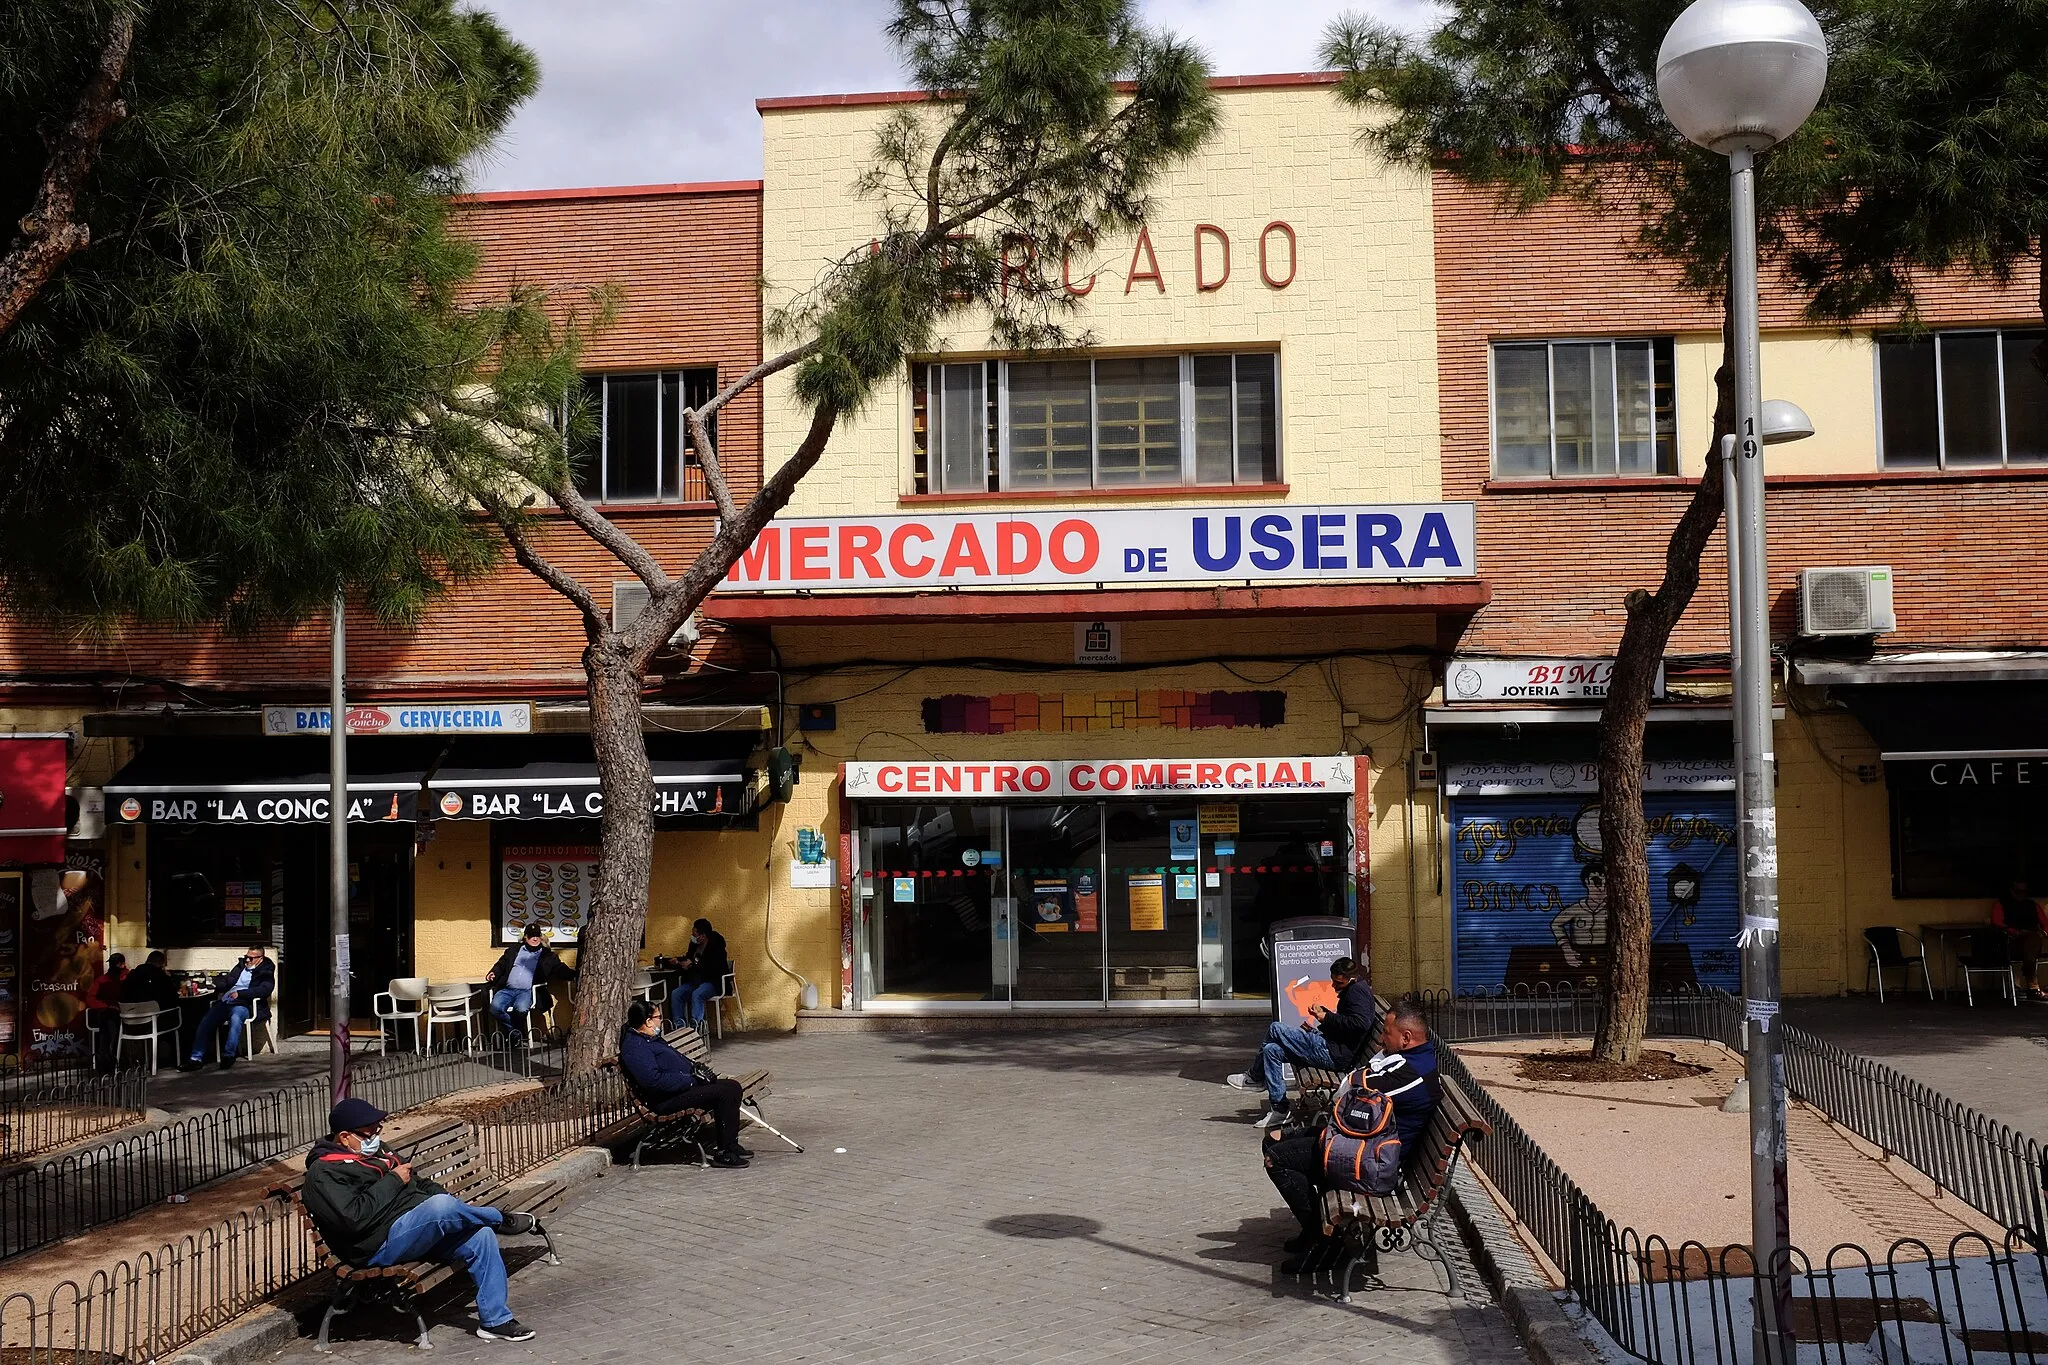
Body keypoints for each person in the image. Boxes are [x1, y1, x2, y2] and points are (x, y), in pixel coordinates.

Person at [302, 1097, 539, 1343]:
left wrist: (444, 1200)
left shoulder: (379, 1150)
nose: (376, 1137)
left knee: (481, 1237)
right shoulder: (324, 1174)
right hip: (377, 1244)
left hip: (415, 1228)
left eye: (377, 1131)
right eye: (369, 1133)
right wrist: (393, 1180)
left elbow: (418, 1182)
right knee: (441, 1207)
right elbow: (353, 1218)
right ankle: (498, 1219)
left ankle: (495, 1320)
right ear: (343, 1137)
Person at [1262, 994, 1439, 1275]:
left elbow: (1350, 1090)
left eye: (1387, 1034)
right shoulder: (1411, 1059)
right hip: (1360, 1144)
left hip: (1372, 1164)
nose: (1382, 1039)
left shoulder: (1410, 1073)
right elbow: (1355, 1086)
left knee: (1277, 1159)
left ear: (1406, 1038)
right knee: (1272, 1139)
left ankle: (1324, 1243)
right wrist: (1373, 1066)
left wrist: (1364, 1074)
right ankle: (1316, 1231)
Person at [1225, 956, 1375, 1129]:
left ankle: (1254, 1077)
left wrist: (1326, 1017)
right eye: (1333, 981)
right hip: (1330, 1045)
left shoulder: (1357, 992)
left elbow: (1360, 1024)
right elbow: (1347, 1022)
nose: (1334, 986)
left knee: (1276, 1028)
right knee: (1271, 1050)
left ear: (1351, 978)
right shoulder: (1354, 989)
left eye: (1338, 983)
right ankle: (1280, 1110)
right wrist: (1324, 1016)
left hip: (1333, 1053)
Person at [615, 999, 750, 1167]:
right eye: (658, 1017)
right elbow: (653, 1081)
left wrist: (696, 1070)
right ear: (648, 1021)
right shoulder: (635, 1047)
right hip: (666, 1099)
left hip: (682, 1088)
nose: (661, 1021)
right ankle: (724, 1153)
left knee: (732, 1086)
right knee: (724, 1093)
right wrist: (692, 1080)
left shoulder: (650, 1038)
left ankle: (731, 1144)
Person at [182, 944, 274, 1070]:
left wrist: (241, 994)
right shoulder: (241, 966)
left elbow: (265, 990)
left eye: (251, 958)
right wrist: (217, 985)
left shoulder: (266, 971)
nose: (247, 960)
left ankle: (229, 1055)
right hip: (227, 1001)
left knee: (236, 1018)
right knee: (206, 1020)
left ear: (260, 959)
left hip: (244, 1003)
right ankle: (196, 1058)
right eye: (246, 957)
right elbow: (228, 980)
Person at [484, 924, 576, 1046]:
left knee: (521, 1009)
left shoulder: (547, 956)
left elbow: (560, 969)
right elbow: (501, 965)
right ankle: (516, 1033)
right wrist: (493, 973)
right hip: (507, 989)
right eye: (531, 936)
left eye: (537, 936)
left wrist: (577, 974)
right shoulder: (513, 951)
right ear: (525, 937)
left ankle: (513, 1036)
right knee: (495, 1008)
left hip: (526, 991)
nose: (535, 939)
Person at [1991, 879, 2048, 1000]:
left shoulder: (2033, 905)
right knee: (2031, 942)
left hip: (2032, 942)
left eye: (2024, 892)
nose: (2021, 894)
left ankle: (2029, 967)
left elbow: (2045, 924)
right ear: (2011, 891)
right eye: (2018, 891)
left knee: (2033, 939)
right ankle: (2032, 986)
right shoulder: (2001, 904)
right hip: (2011, 942)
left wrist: (2043, 933)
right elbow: (1997, 923)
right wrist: (2016, 932)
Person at [671, 918, 730, 1031]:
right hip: (695, 980)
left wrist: (691, 966)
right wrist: (679, 961)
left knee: (697, 994)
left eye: (695, 934)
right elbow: (690, 958)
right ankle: (680, 1027)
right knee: (676, 994)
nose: (693, 937)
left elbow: (712, 968)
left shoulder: (717, 947)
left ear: (703, 936)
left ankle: (696, 1027)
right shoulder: (694, 945)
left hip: (712, 982)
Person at [83, 952, 126, 1072]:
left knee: (107, 1027)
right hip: (107, 1013)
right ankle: (109, 1058)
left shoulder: (126, 977)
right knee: (107, 1023)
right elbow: (90, 999)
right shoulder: (101, 980)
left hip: (124, 1013)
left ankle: (109, 1058)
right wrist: (106, 1006)